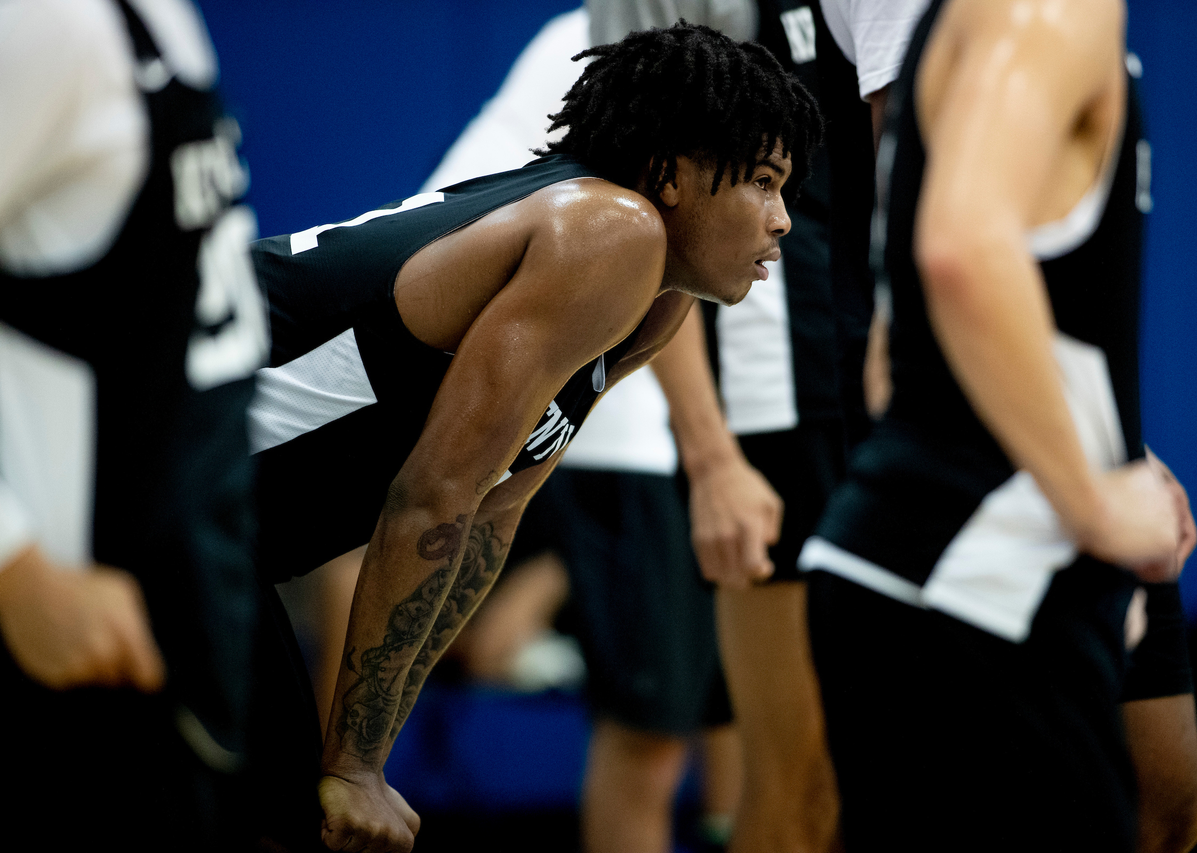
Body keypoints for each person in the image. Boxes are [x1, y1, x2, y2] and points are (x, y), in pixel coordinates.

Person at [244, 22, 821, 853]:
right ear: (670, 175)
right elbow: (433, 492)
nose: (783, 221)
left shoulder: (658, 299)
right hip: (133, 455)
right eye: (763, 183)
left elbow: (488, 519)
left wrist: (361, 760)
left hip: (217, 522)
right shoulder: (609, 231)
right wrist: (356, 765)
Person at [798, 0, 1196, 849]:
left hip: (940, 561)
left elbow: (892, 351)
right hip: (977, 575)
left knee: (1170, 808)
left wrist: (1103, 455)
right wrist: (1089, 505)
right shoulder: (1046, 8)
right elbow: (963, 252)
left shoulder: (966, 25)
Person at [0, 0, 266, 849]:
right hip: (67, 663)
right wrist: (14, 566)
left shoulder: (160, 21)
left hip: (183, 618)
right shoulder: (48, 25)